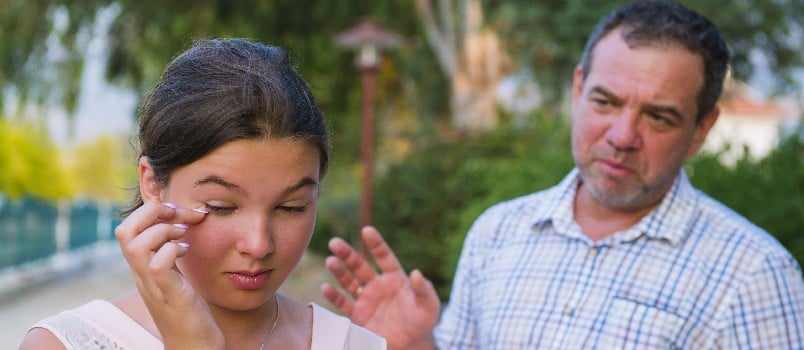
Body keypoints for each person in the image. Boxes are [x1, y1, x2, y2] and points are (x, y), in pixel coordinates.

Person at [321, 1, 804, 349]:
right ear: (578, 88)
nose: (622, 136)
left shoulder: (755, 276)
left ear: (702, 128)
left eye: (659, 117)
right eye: (605, 101)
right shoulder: (497, 233)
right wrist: (417, 346)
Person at [20, 38, 386, 350]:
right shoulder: (66, 344)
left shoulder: (355, 344)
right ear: (153, 185)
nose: (259, 245)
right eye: (220, 206)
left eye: (291, 207)